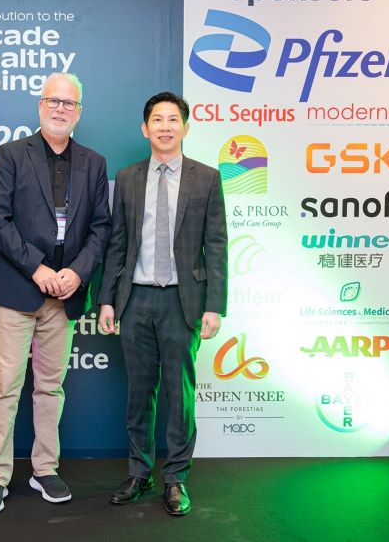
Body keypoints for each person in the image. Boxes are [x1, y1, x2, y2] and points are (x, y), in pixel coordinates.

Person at [0, 73, 111, 513]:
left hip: (65, 294)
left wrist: (77, 272)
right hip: (18, 289)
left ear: (79, 112)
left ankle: (45, 469)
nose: (60, 109)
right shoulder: (12, 154)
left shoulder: (93, 163)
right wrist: (37, 268)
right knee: (5, 386)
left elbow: (101, 228)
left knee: (51, 388)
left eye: (69, 103)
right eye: (53, 101)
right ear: (40, 106)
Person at [97, 91, 227, 516]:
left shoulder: (206, 178)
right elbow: (117, 243)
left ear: (185, 128)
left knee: (179, 392)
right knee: (139, 392)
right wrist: (107, 300)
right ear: (145, 128)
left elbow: (216, 245)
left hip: (182, 301)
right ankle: (139, 472)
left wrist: (214, 306)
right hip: (135, 299)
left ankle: (175, 478)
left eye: (173, 120)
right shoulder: (128, 177)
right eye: (157, 119)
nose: (165, 127)